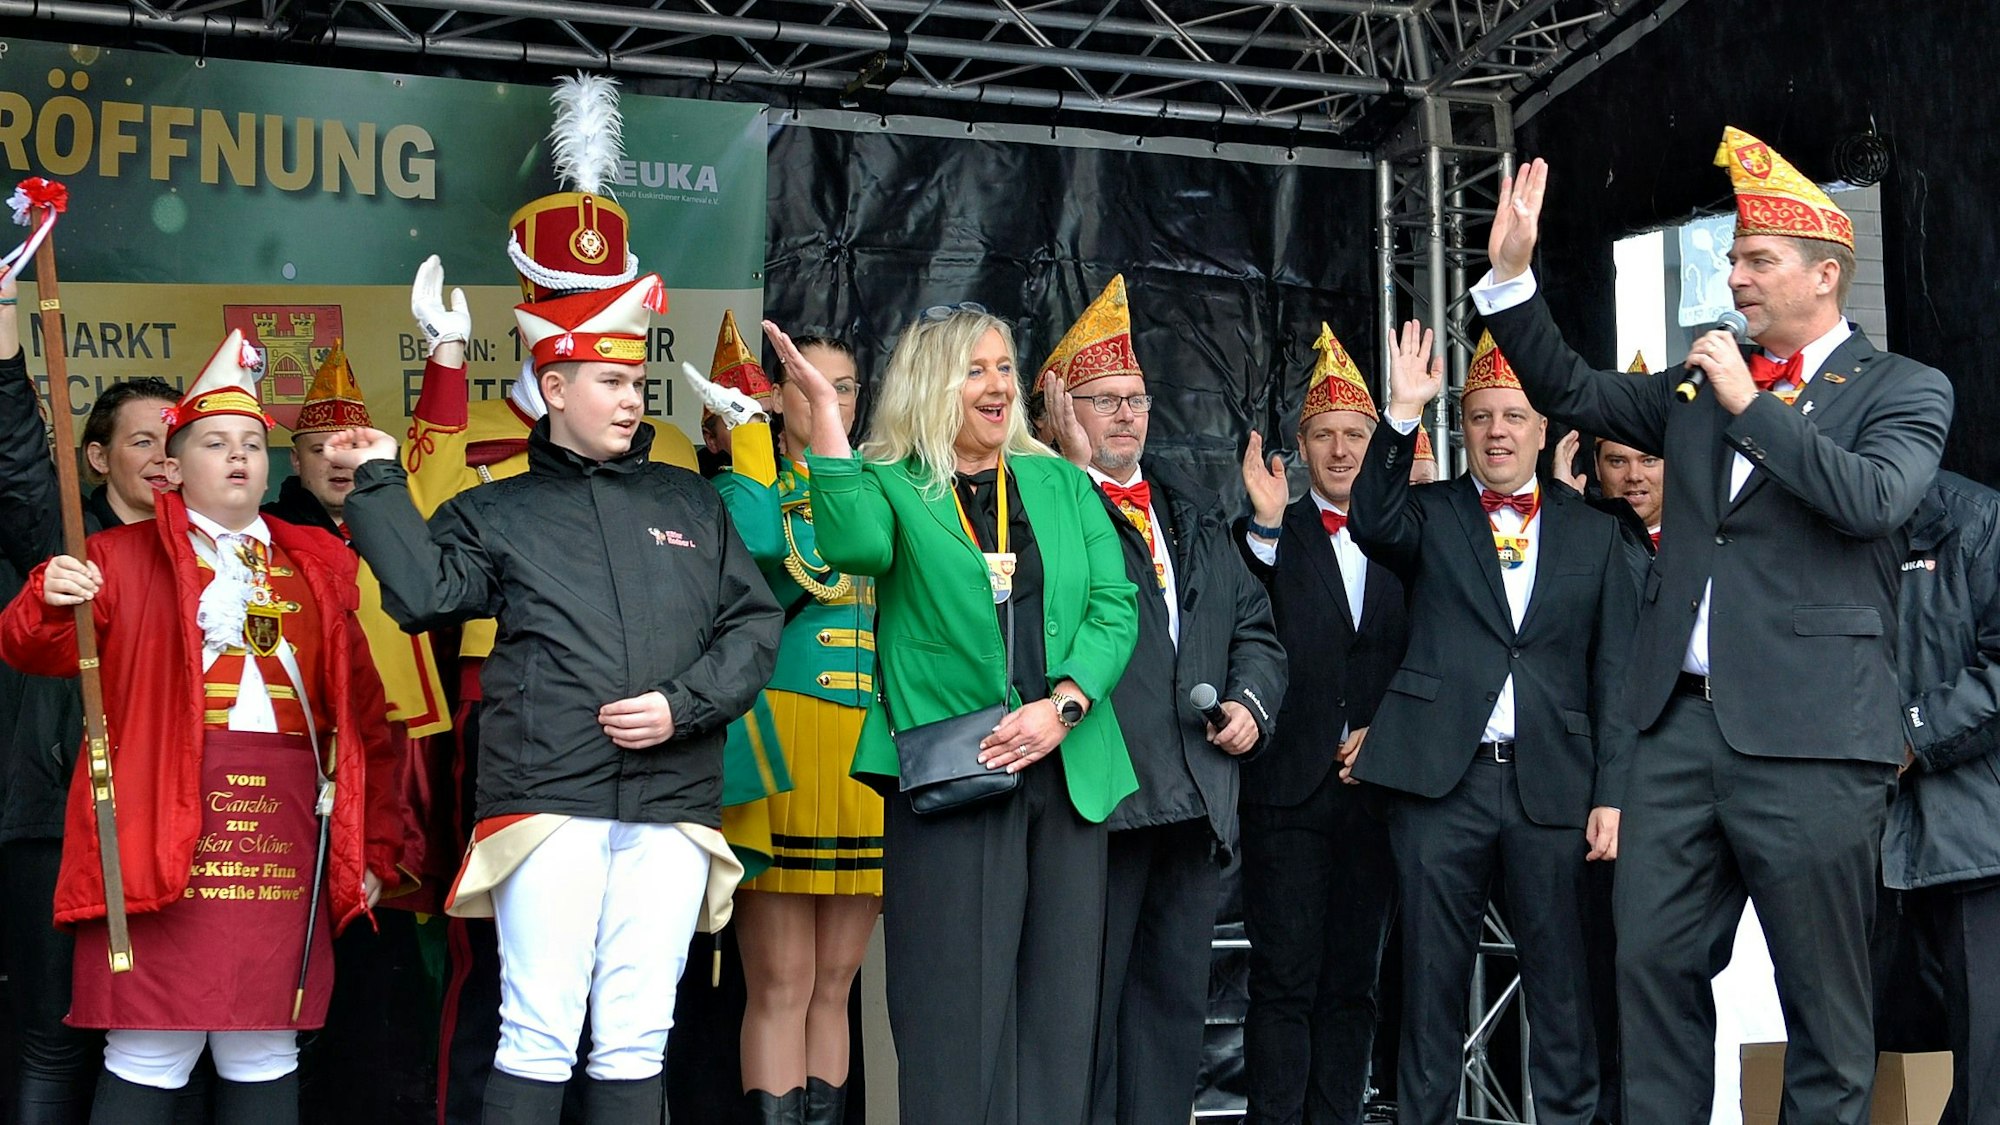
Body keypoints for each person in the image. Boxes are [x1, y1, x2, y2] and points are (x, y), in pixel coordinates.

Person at [1476, 128, 1952, 1124]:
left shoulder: (1901, 389)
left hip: (1814, 738)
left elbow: (1870, 500)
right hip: (1675, 730)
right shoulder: (1696, 382)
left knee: (1822, 1006)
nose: (1732, 277)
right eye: (1731, 258)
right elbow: (1572, 392)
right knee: (1647, 968)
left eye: (1755, 259)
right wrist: (1511, 283)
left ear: (1824, 276)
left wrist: (1752, 409)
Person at [330, 272, 781, 1124]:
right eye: (609, 382)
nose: (630, 399)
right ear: (555, 387)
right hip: (550, 801)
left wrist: (682, 706)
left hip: (674, 807)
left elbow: (753, 627)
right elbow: (425, 593)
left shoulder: (688, 496)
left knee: (638, 1040)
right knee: (535, 1033)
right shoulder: (497, 508)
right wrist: (383, 483)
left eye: (637, 382)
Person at [0, 331, 404, 1125]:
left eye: (253, 442)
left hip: (286, 830)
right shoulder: (115, 556)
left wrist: (374, 845)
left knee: (265, 1045)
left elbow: (363, 720)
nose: (240, 457)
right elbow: (32, 647)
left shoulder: (320, 562)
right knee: (152, 1044)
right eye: (216, 442)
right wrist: (49, 593)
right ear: (173, 469)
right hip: (162, 826)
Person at [403, 75, 703, 1123]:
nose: (620, 387)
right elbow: (422, 543)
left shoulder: (658, 471)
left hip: (647, 758)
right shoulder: (486, 445)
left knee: (633, 1021)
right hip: (505, 717)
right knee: (499, 988)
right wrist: (445, 368)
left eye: (627, 364)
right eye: (590, 355)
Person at [765, 305, 1139, 1125]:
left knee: (1059, 1019)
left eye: (1005, 367)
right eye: (976, 369)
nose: (998, 385)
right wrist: (828, 418)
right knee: (952, 1024)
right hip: (952, 777)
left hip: (1066, 768)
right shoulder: (893, 482)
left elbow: (1115, 605)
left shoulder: (1060, 481)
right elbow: (855, 546)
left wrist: (1063, 706)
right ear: (934, 383)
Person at [1348, 323, 1637, 1125]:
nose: (1498, 431)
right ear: (1463, 428)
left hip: (1555, 787)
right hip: (1445, 780)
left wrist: (1613, 791)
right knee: (1428, 989)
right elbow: (1369, 519)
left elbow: (1613, 676)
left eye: (1513, 416)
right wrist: (1402, 415)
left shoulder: (1596, 531)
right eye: (1481, 417)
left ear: (1545, 429)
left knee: (1565, 990)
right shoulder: (1430, 513)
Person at [1038, 275, 1288, 1125]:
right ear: (1062, 409)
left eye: (1135, 399)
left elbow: (1256, 627)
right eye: (1101, 400)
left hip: (1192, 804)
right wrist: (1066, 475)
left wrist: (1252, 701)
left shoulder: (1191, 514)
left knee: (1171, 1021)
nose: (1124, 415)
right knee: (1084, 1023)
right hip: (1098, 805)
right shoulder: (1035, 512)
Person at [0, 276, 183, 1124]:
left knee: (163, 1039)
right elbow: (14, 452)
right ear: (99, 456)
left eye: (173, 439)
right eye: (140, 440)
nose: (160, 456)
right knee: (53, 1035)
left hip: (166, 827)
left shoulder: (216, 551)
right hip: (55, 815)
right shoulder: (64, 535)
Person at [1234, 322, 1409, 1125]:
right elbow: (1242, 626)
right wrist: (1265, 527)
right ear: (1299, 447)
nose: (1341, 451)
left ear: (1377, 444)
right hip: (1288, 794)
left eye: (1357, 436)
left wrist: (1391, 730)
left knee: (1355, 984)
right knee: (1285, 980)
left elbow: (1441, 652)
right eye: (1326, 436)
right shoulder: (1268, 535)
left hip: (1378, 791)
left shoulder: (1413, 534)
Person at [711, 325, 881, 1125]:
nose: (828, 397)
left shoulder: (883, 488)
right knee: (779, 981)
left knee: (836, 985)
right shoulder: (746, 488)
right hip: (781, 740)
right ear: (776, 394)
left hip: (866, 751)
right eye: (811, 381)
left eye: (844, 386)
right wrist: (748, 448)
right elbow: (753, 565)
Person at [1875, 470, 2000, 1125]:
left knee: (1986, 1076)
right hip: (1856, 840)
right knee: (1839, 1059)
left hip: (1972, 841)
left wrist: (1910, 732)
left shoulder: (1978, 518)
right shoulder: (1807, 518)